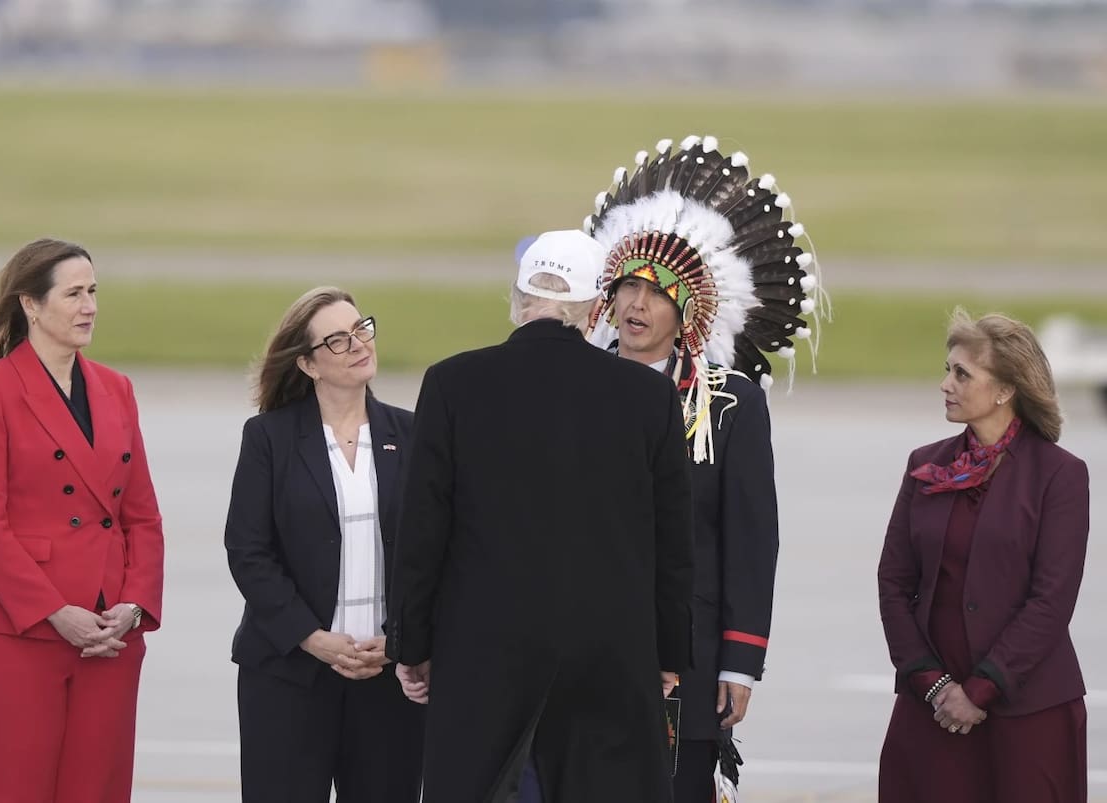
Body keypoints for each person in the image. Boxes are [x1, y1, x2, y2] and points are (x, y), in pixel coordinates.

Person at [386, 229, 695, 803]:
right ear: (594, 310)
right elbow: (673, 542)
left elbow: (422, 530)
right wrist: (669, 653)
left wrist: (413, 645)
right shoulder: (647, 397)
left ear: (517, 297)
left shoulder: (453, 383)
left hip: (482, 654)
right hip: (610, 655)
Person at [581, 135, 823, 801]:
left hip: (690, 654)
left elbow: (751, 538)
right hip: (583, 651)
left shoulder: (728, 402)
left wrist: (740, 660)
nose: (635, 305)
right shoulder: (577, 389)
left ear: (686, 309)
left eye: (655, 293)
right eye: (625, 286)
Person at [0, 238, 165, 803]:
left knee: (98, 788)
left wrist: (134, 606)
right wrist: (53, 612)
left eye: (93, 291)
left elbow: (142, 516)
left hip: (108, 632)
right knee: (8, 787)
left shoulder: (117, 389)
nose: (89, 305)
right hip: (16, 630)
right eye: (73, 294)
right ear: (31, 304)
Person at [878, 309, 1091, 803]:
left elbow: (1052, 599)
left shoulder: (1059, 475)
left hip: (1028, 709)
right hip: (930, 705)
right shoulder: (927, 465)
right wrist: (931, 683)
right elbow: (893, 581)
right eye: (947, 369)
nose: (945, 384)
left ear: (1005, 390)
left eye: (961, 373)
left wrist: (981, 688)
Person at [224, 287, 424, 803]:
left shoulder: (413, 433)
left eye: (362, 329)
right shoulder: (268, 438)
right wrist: (312, 638)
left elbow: (434, 552)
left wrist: (401, 642)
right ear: (309, 365)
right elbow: (248, 551)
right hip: (290, 675)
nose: (359, 344)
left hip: (387, 677)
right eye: (338, 340)